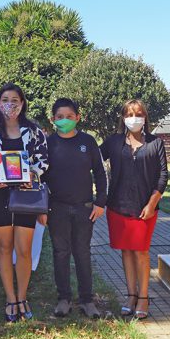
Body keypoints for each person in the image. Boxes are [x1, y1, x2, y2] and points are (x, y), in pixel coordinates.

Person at [0, 83, 48, 322]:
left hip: (26, 196)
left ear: (22, 103)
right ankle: (10, 299)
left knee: (24, 249)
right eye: (5, 99)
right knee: (4, 248)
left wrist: (32, 174)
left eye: (15, 100)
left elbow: (44, 160)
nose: (10, 104)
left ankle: (23, 296)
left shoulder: (33, 130)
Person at [100, 99, 167, 320]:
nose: (133, 118)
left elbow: (163, 177)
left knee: (141, 252)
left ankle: (144, 297)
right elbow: (92, 159)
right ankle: (130, 295)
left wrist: (152, 204)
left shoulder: (156, 143)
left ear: (145, 117)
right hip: (118, 206)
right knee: (126, 251)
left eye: (138, 113)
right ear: (123, 117)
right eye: (129, 114)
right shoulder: (114, 142)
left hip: (145, 208)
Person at [44, 98, 107, 319]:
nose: (65, 120)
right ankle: (64, 299)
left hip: (84, 208)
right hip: (57, 208)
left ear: (77, 117)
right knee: (60, 253)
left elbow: (100, 173)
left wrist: (100, 202)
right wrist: (42, 209)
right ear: (53, 120)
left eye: (69, 116)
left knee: (82, 253)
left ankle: (87, 301)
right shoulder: (48, 144)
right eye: (60, 117)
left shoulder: (88, 142)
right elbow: (40, 177)